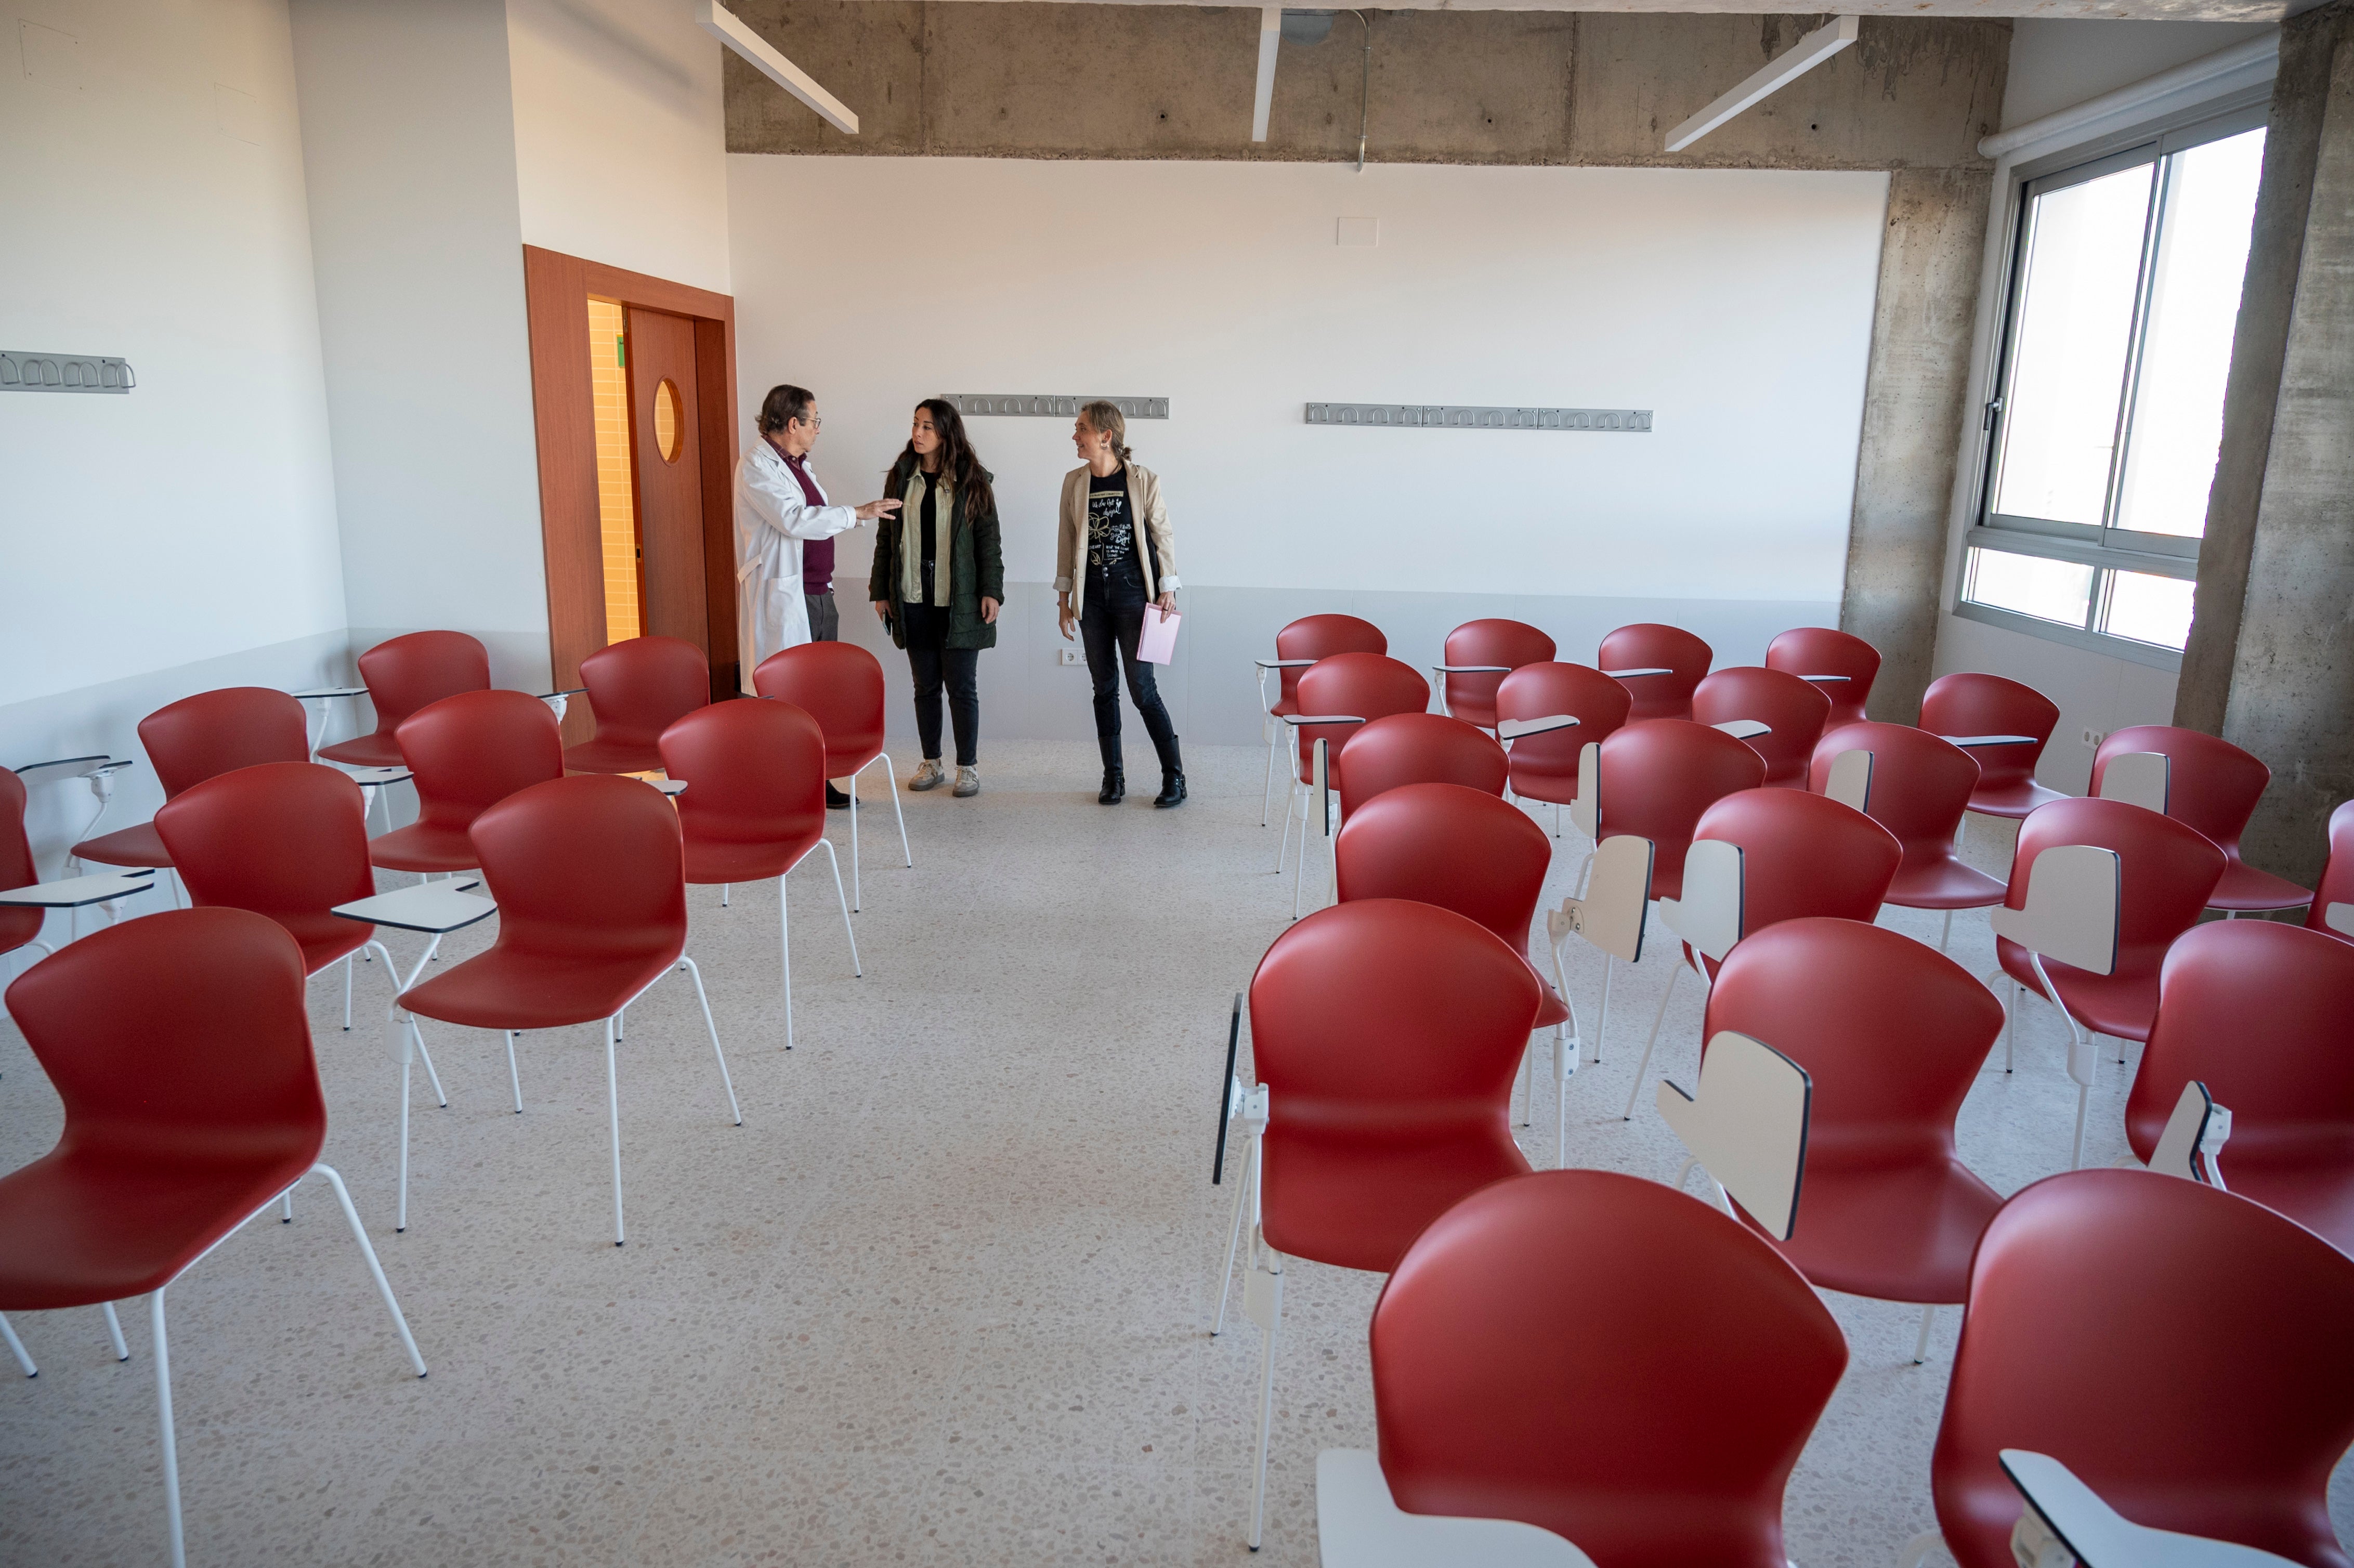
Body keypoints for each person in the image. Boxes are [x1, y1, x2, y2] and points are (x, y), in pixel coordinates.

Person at [736, 384, 898, 806]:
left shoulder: (797, 465)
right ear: (794, 423)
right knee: (785, 697)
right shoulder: (757, 465)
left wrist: (857, 517)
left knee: (817, 695)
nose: (818, 430)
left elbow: (814, 517)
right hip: (786, 597)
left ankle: (817, 781)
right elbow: (793, 520)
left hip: (817, 594)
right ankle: (781, 786)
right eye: (815, 421)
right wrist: (856, 513)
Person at [870, 399, 1003, 798]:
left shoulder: (971, 479)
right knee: (925, 686)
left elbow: (989, 542)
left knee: (962, 687)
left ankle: (968, 767)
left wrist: (991, 591)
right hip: (913, 596)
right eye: (915, 425)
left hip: (958, 598)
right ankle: (932, 762)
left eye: (927, 427)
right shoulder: (901, 477)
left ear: (946, 433)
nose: (918, 433)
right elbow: (885, 539)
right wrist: (880, 592)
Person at [1057, 400, 1184, 807]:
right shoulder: (1074, 483)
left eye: (1082, 429)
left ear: (1105, 436)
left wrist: (1168, 586)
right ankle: (1114, 778)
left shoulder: (1143, 479)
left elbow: (1162, 535)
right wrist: (1064, 600)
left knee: (1142, 690)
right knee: (1103, 688)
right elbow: (1065, 540)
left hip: (1133, 595)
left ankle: (1174, 778)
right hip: (1091, 598)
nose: (1075, 436)